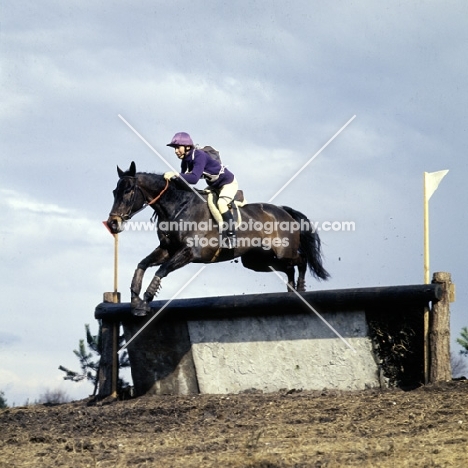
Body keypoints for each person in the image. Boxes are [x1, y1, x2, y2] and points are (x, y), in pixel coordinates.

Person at [164, 132, 238, 248]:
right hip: (214, 186)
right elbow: (184, 180)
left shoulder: (199, 155)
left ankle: (231, 237)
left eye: (178, 147)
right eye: (174, 148)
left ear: (187, 147)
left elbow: (193, 179)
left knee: (222, 204)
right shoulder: (185, 160)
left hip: (227, 183)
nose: (176, 151)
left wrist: (176, 174)